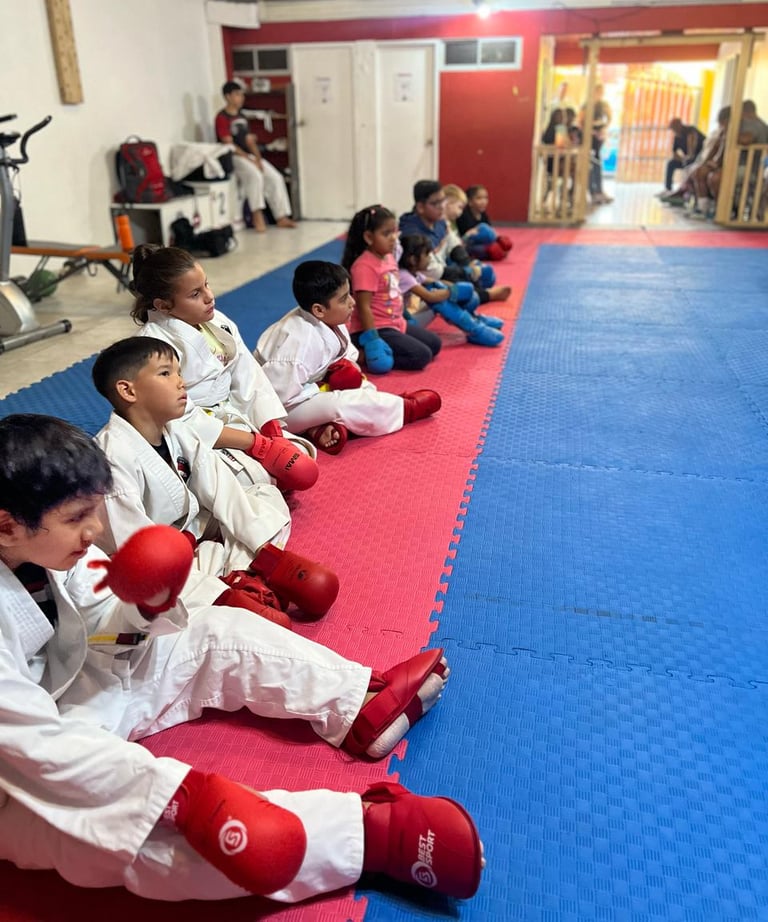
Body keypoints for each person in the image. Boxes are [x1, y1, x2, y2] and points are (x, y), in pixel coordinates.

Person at [0, 412, 484, 904]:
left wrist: (143, 606)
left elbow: (98, 631)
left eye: (95, 511)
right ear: (7, 526)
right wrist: (182, 797)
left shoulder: (53, 552)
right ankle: (371, 836)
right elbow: (29, 743)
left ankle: (360, 706)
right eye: (77, 518)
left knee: (210, 630)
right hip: (15, 773)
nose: (96, 530)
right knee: (120, 834)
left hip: (72, 697)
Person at [92, 337, 339, 624]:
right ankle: (228, 587)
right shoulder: (112, 456)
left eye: (179, 372)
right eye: (165, 373)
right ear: (127, 390)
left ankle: (247, 573)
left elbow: (221, 488)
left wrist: (269, 557)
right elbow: (134, 549)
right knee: (162, 585)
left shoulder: (175, 429)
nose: (180, 382)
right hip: (152, 558)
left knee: (262, 494)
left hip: (192, 529)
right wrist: (219, 596)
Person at [130, 244, 318, 492]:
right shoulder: (155, 346)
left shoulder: (217, 321)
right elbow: (178, 416)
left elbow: (247, 373)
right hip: (195, 433)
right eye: (195, 294)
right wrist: (254, 444)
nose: (209, 297)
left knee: (301, 457)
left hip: (232, 415)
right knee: (255, 478)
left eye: (206, 285)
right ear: (163, 306)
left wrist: (269, 426)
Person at [254, 260, 441, 454]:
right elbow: (276, 399)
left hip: (306, 390)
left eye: (349, 294)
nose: (352, 302)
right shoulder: (297, 345)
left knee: (358, 385)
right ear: (319, 309)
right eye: (344, 299)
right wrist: (321, 387)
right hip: (278, 412)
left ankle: (320, 430)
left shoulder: (331, 318)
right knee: (339, 403)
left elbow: (346, 355)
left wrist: (340, 373)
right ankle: (405, 409)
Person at [340, 204, 442, 373]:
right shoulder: (364, 266)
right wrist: (372, 338)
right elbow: (363, 307)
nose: (393, 238)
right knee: (421, 356)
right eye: (386, 233)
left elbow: (393, 290)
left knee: (435, 344)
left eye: (394, 231)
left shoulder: (388, 256)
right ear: (368, 237)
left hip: (395, 322)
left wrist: (405, 316)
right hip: (377, 327)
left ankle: (388, 347)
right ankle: (363, 354)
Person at [399, 181, 511, 305]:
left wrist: (468, 264)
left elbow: (454, 244)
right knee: (465, 291)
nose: (442, 206)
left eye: (443, 201)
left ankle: (480, 289)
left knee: (486, 274)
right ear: (420, 207)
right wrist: (466, 272)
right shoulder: (412, 233)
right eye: (436, 203)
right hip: (425, 281)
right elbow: (432, 270)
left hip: (443, 269)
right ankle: (486, 295)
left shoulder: (439, 221)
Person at [215, 80, 296, 232]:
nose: (241, 98)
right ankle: (257, 215)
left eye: (242, 94)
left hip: (250, 155)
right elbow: (229, 144)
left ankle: (281, 216)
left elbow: (249, 140)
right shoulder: (222, 118)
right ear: (228, 96)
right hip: (233, 156)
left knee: (275, 177)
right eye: (237, 95)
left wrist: (258, 158)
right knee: (255, 176)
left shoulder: (242, 116)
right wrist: (248, 159)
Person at [398, 233, 504, 348]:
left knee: (437, 286)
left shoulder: (415, 274)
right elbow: (429, 297)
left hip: (407, 318)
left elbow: (434, 282)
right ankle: (474, 329)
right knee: (437, 301)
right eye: (427, 255)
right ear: (413, 259)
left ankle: (473, 319)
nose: (430, 258)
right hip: (404, 323)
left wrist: (452, 287)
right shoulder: (404, 276)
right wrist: (452, 291)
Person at [451, 184, 513, 262]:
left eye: (485, 198)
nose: (483, 201)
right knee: (484, 232)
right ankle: (493, 249)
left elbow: (490, 232)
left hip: (481, 242)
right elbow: (467, 236)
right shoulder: (464, 214)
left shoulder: (483, 214)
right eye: (479, 198)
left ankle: (497, 247)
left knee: (495, 243)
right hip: (467, 244)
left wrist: (497, 239)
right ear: (470, 202)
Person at [581, 83, 613, 205]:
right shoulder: (587, 105)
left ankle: (599, 190)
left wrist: (603, 129)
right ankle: (593, 191)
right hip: (589, 138)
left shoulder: (603, 105)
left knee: (597, 165)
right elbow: (581, 121)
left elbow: (609, 117)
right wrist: (590, 130)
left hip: (598, 138)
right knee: (590, 165)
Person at [659, 118, 705, 195]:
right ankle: (668, 189)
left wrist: (687, 159)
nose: (674, 131)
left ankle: (686, 191)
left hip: (699, 159)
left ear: (680, 125)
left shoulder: (691, 131)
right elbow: (674, 152)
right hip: (687, 159)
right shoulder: (677, 137)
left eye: (674, 128)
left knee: (688, 162)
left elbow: (692, 149)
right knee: (671, 164)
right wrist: (682, 159)